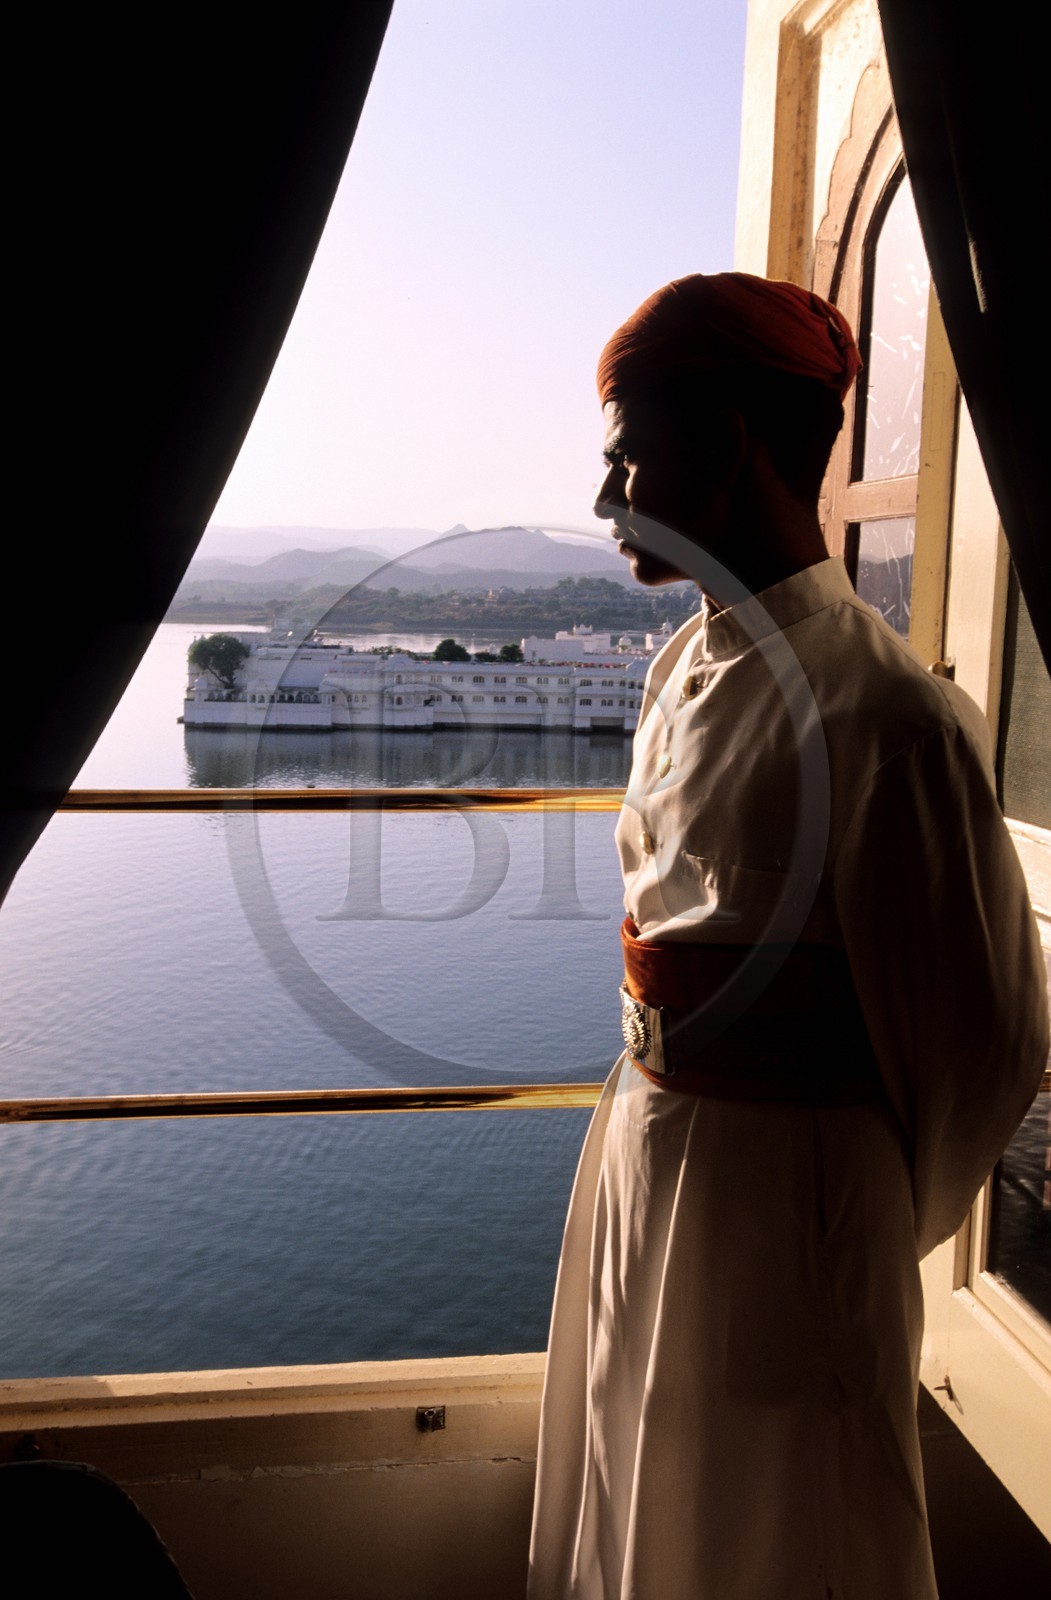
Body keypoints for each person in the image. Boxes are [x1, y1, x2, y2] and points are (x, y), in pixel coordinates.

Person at [527, 273, 1048, 1600]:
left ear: (738, 443)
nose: (607, 494)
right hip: (648, 1164)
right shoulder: (679, 668)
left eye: (631, 451)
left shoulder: (884, 716)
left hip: (796, 1225)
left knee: (785, 1530)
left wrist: (840, 1219)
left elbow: (983, 1049)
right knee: (637, 1500)